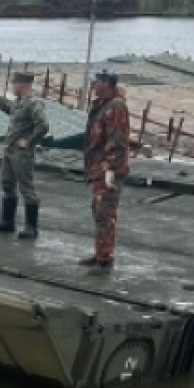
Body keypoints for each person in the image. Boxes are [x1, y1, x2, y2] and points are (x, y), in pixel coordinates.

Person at [80, 69, 131, 274]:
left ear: (107, 83)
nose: (92, 85)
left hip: (108, 171)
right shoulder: (102, 104)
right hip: (98, 169)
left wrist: (110, 169)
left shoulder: (116, 106)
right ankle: (100, 253)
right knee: (98, 213)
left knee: (106, 214)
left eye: (96, 82)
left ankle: (106, 258)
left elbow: (117, 141)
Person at [0, 71, 49, 239]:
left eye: (14, 84)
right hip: (9, 150)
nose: (13, 87)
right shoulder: (19, 103)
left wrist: (29, 141)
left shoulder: (34, 103)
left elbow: (43, 126)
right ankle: (7, 222)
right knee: (7, 184)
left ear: (21, 84)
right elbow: (9, 107)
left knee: (26, 188)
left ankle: (31, 227)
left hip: (22, 153)